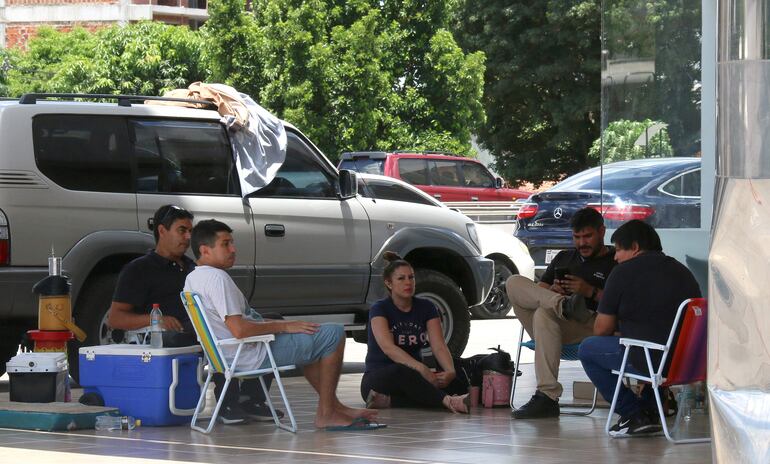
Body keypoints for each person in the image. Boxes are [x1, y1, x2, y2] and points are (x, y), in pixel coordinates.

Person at [183, 219, 381, 430]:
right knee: (333, 334)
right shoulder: (217, 279)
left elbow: (242, 322)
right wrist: (284, 327)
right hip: (249, 355)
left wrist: (283, 324)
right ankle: (327, 413)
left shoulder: (193, 278)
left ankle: (334, 406)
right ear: (204, 250)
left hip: (228, 355)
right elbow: (240, 330)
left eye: (232, 243)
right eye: (225, 244)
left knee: (311, 335)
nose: (233, 249)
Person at [108, 205, 278, 424]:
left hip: (210, 327)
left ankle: (250, 399)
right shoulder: (139, 269)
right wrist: (155, 319)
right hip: (175, 332)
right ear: (162, 231)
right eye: (182, 230)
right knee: (212, 332)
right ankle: (228, 400)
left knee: (271, 320)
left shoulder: (194, 267)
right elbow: (116, 318)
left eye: (191, 231)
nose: (189, 237)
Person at [578, 220, 701, 437]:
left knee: (588, 349)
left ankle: (633, 413)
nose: (615, 257)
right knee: (645, 344)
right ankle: (651, 411)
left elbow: (601, 329)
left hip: (651, 360)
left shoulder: (622, 273)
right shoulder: (683, 272)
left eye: (618, 250)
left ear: (634, 247)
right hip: (687, 362)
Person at [505, 207, 617, 419]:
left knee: (543, 314)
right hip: (552, 326)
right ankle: (561, 304)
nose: (582, 243)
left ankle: (547, 397)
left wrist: (588, 291)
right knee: (513, 282)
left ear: (602, 232)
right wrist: (553, 291)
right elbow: (536, 292)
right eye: (577, 237)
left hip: (591, 326)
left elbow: (622, 305)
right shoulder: (564, 258)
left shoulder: (615, 261)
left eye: (587, 236)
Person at [361, 252, 470, 414]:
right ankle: (448, 401)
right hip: (381, 377)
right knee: (403, 371)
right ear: (389, 283)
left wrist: (450, 371)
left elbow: (439, 345)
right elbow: (388, 348)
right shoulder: (379, 309)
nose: (408, 282)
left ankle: (391, 401)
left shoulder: (426, 307)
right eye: (401, 278)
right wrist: (422, 369)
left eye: (411, 277)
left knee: (457, 381)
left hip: (415, 376)